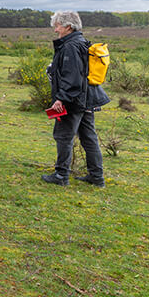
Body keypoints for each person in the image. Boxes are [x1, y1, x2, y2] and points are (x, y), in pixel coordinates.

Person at [42, 11, 109, 187]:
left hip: (74, 100)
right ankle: (96, 177)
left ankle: (61, 175)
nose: (55, 30)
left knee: (63, 135)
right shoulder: (81, 42)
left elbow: (72, 79)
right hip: (86, 98)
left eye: (57, 25)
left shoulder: (70, 46)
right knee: (89, 137)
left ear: (68, 27)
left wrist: (61, 99)